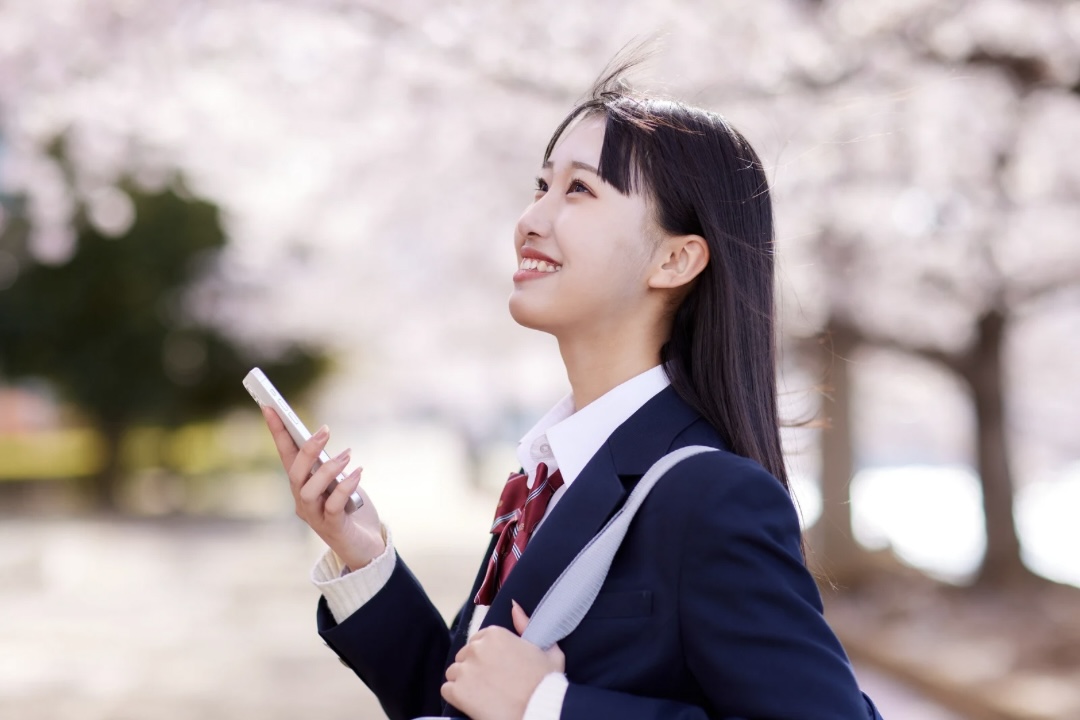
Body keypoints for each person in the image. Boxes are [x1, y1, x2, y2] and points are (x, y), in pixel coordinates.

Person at [261, 58, 884, 720]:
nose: (531, 218)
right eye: (541, 185)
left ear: (675, 259)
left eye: (579, 189)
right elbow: (463, 701)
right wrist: (363, 555)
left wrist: (551, 705)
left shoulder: (711, 497)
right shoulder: (550, 475)